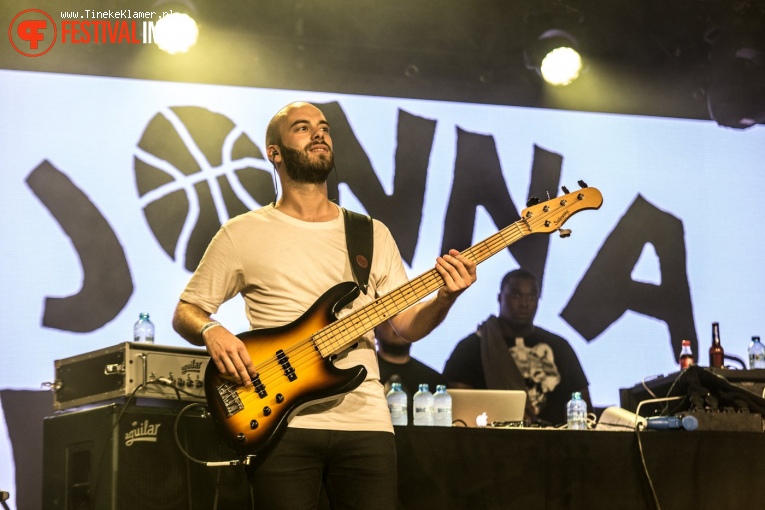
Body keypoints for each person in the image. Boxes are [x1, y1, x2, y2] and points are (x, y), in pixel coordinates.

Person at [171, 101, 476, 510]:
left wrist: (445, 297)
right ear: (274, 152)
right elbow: (186, 310)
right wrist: (211, 330)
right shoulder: (241, 234)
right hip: (280, 421)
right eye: (302, 128)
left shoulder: (370, 234)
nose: (318, 134)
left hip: (366, 420)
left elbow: (402, 326)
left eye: (324, 127)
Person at [443, 268, 591, 426]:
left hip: (555, 445)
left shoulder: (560, 347)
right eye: (516, 295)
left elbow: (585, 409)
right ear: (500, 298)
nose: (524, 303)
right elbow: (457, 411)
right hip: (489, 444)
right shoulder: (471, 347)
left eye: (532, 296)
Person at [375, 320, 446, 424]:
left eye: (405, 318)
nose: (399, 327)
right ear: (374, 329)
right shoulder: (363, 375)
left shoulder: (433, 379)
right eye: (391, 320)